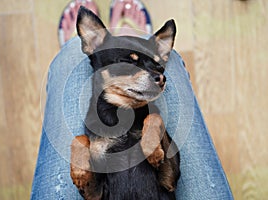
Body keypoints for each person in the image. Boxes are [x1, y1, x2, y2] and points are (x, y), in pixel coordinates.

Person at [31, 0, 234, 199]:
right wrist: (79, 147)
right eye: (127, 63)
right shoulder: (94, 132)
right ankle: (131, 34)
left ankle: (74, 46)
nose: (158, 77)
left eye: (155, 68)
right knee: (73, 56)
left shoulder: (145, 122)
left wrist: (154, 126)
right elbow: (94, 191)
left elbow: (169, 179)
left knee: (68, 54)